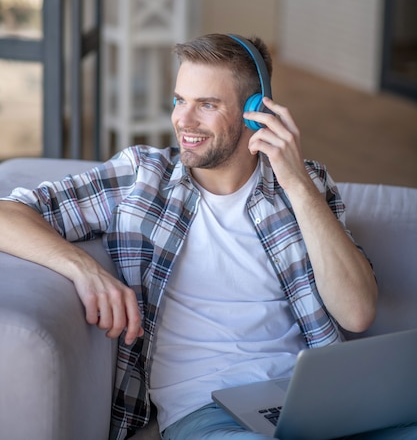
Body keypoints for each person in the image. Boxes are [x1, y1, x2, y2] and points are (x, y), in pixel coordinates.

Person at [1, 31, 401, 440]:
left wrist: (298, 185)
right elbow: (6, 214)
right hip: (206, 411)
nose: (183, 120)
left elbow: (356, 312)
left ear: (253, 113)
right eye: (179, 100)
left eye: (206, 105)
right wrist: (83, 268)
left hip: (312, 403)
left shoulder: (305, 184)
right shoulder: (143, 177)